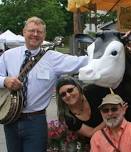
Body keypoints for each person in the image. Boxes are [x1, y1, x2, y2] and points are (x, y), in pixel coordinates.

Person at [0, 16, 88, 151]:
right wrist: (4, 81)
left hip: (35, 121)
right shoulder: (7, 55)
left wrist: (110, 50)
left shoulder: (53, 58)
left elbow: (81, 62)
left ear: (44, 35)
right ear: (23, 32)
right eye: (31, 30)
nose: (35, 34)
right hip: (10, 118)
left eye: (39, 32)